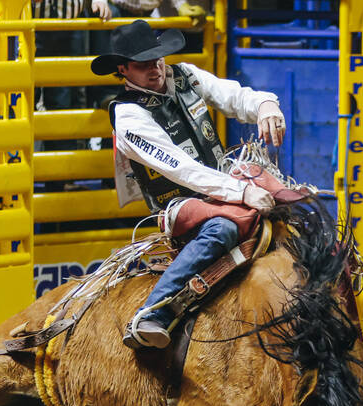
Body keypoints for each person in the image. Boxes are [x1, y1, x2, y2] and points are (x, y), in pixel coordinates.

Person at [91, 20, 285, 349]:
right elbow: (184, 170)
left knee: (291, 203)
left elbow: (234, 96)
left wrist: (265, 104)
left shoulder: (184, 75)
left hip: (227, 181)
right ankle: (154, 312)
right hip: (182, 203)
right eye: (143, 65)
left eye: (158, 59)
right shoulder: (128, 116)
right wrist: (242, 191)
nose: (155, 69)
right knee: (223, 229)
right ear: (123, 69)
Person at [0, 0, 111, 149]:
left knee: (64, 102)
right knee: (22, 99)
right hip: (24, 28)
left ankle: (60, 179)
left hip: (68, 24)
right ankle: (20, 168)